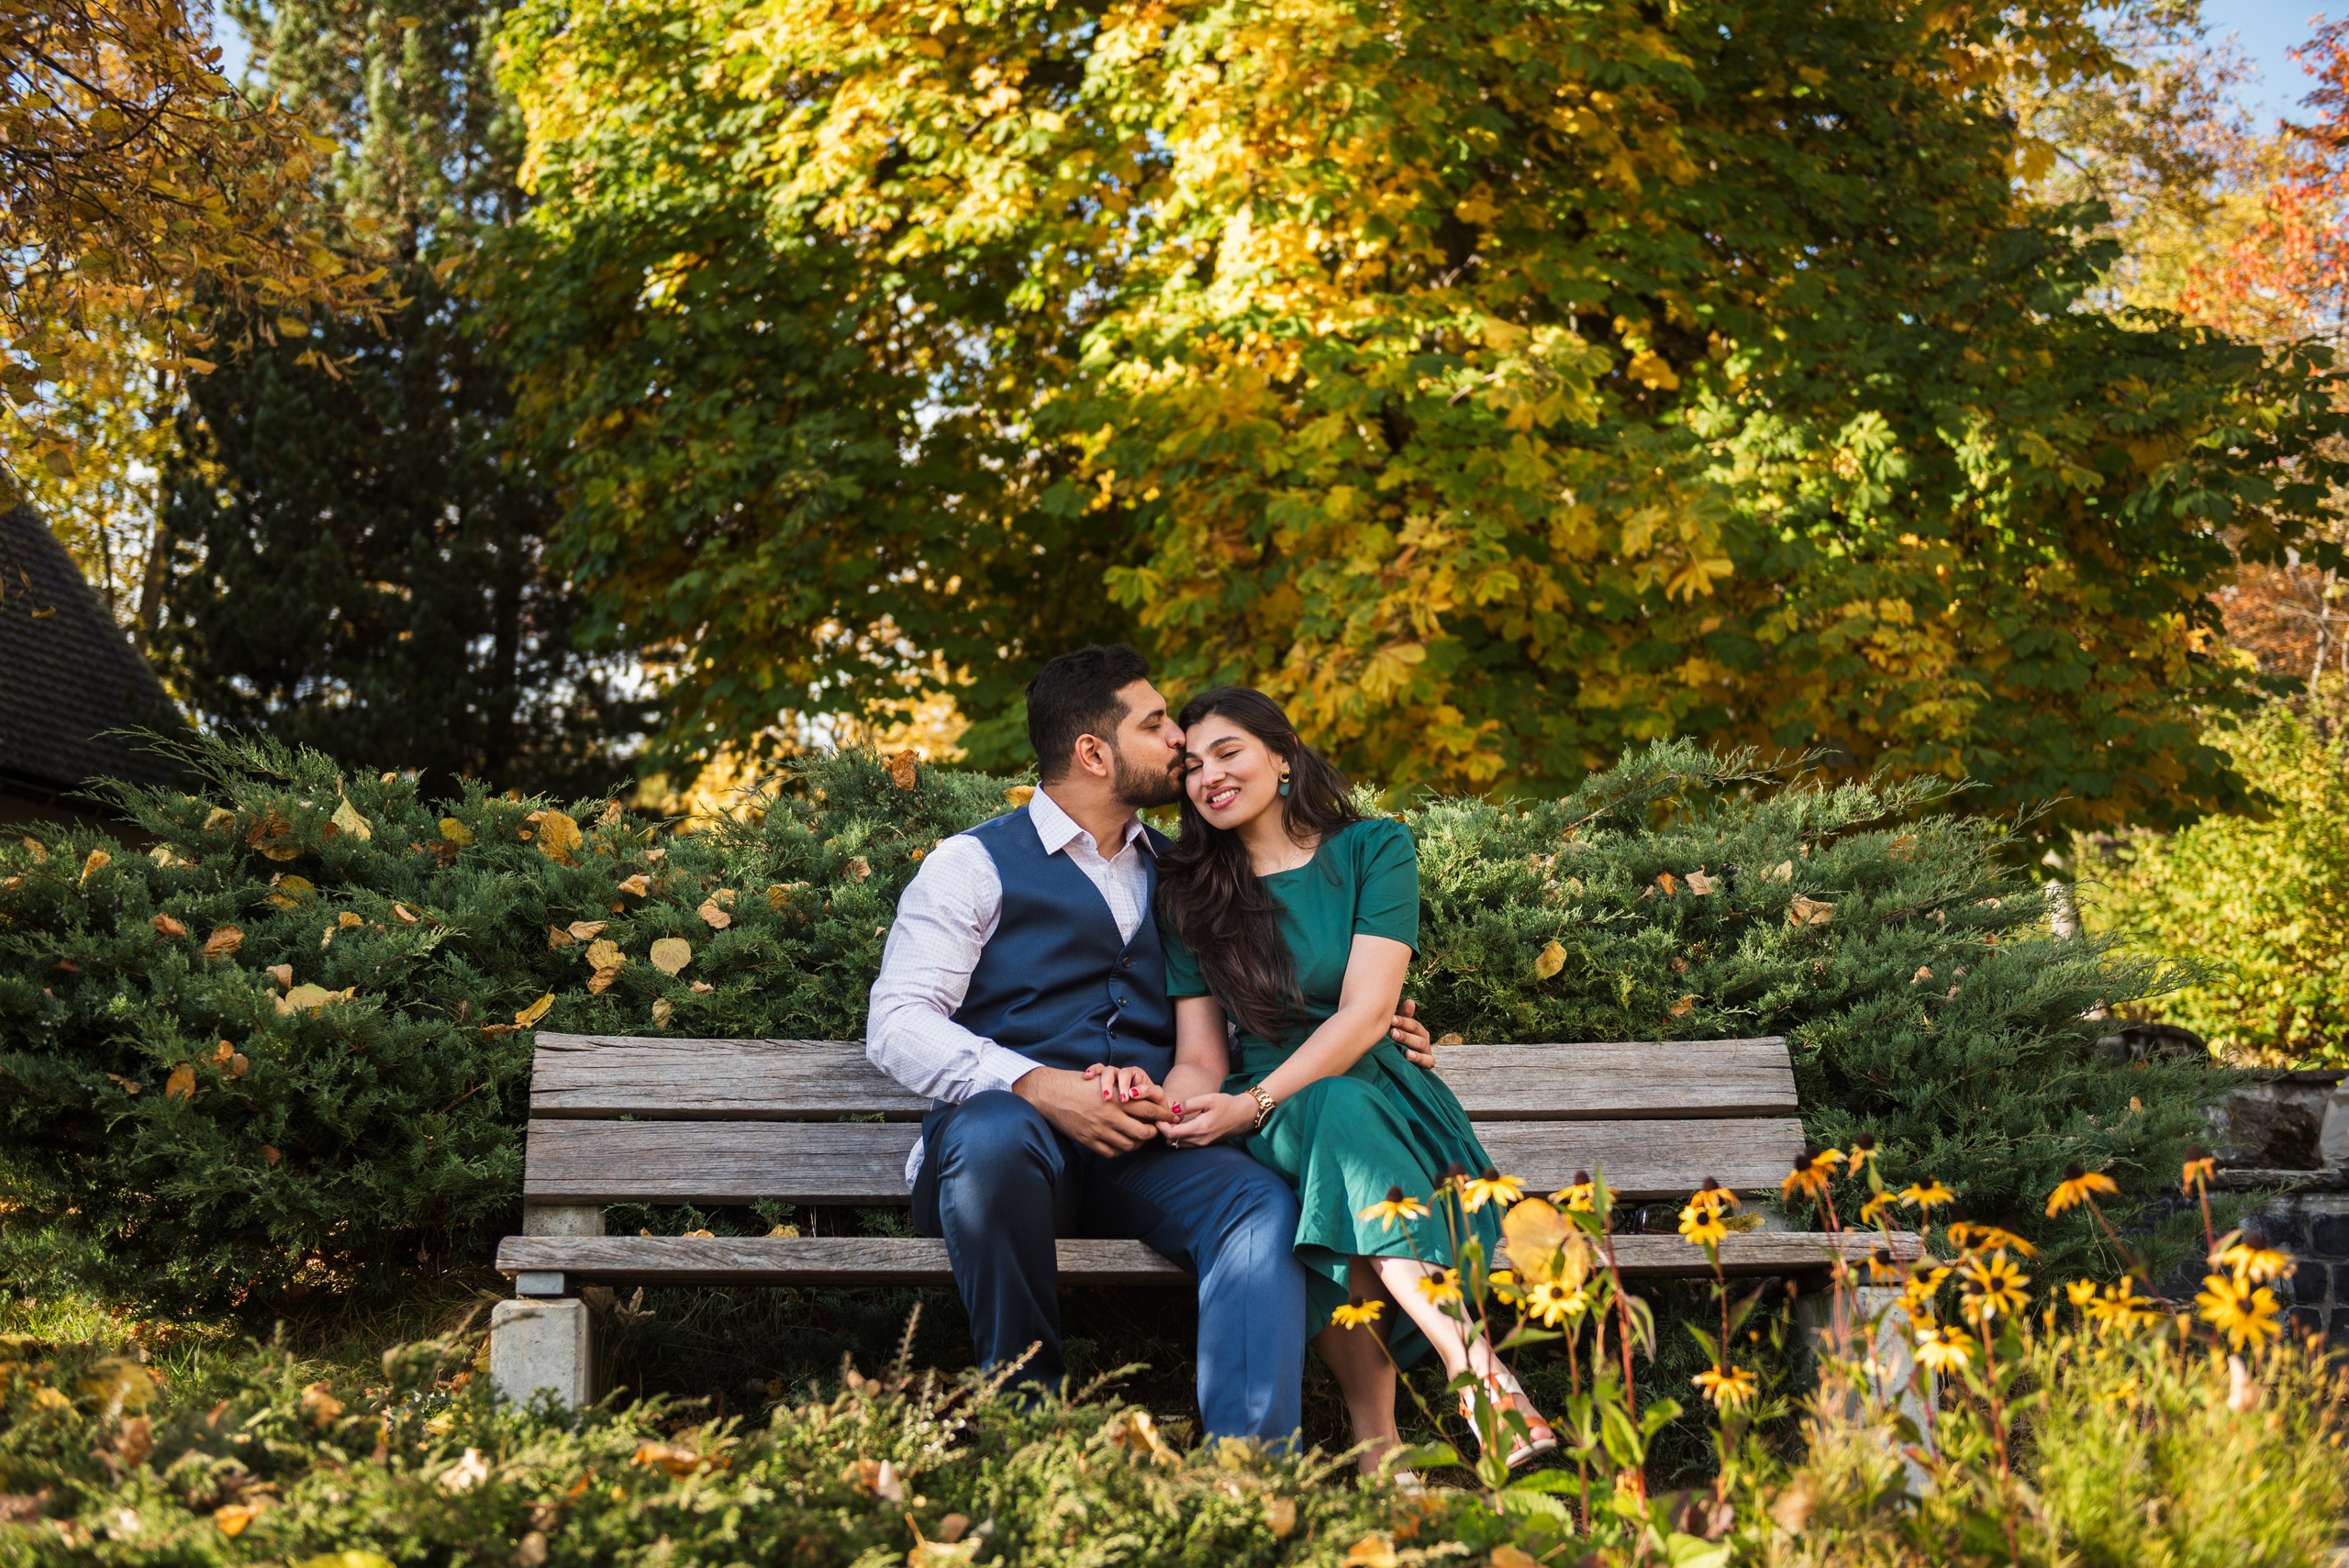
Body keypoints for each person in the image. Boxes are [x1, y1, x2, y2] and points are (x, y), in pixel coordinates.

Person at [864, 646, 1437, 1442]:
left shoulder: (1191, 874)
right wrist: (1039, 1085)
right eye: (1157, 722)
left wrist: (1383, 1026)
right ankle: (1027, 1436)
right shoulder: (972, 864)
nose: (1179, 740)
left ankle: (1249, 1469)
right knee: (993, 1130)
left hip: (1143, 1149)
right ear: (1093, 753)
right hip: (1007, 1165)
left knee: (1257, 1203)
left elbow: (1258, 1016)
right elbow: (896, 1022)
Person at [1143, 686, 1558, 1473]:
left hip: (1379, 1092)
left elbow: (1368, 1014)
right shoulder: (1188, 893)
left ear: (1282, 756)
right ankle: (1476, 1375)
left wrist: (1252, 1102)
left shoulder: (1375, 848)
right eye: (1191, 765)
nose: (1208, 776)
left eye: (1228, 752)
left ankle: (1382, 1446)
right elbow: (1199, 1052)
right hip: (1273, 1116)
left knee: (1340, 1126)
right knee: (1330, 1133)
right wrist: (1187, 1102)